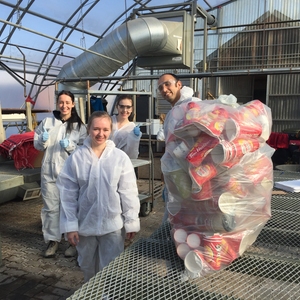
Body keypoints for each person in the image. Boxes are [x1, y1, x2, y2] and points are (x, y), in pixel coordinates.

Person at [56, 111, 140, 282]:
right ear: (88, 129)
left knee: (111, 268)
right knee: (87, 265)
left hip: (112, 226)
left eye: (105, 129)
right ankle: (91, 293)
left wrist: (131, 221)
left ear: (111, 131)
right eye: (96, 129)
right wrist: (70, 225)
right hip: (85, 225)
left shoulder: (119, 158)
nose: (100, 134)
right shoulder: (77, 158)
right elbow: (68, 194)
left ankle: (107, 295)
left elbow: (128, 192)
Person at [34, 90, 87, 258]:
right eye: (61, 102)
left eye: (67, 102)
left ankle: (73, 242)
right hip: (49, 173)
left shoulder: (80, 126)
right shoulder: (47, 122)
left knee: (70, 209)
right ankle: (53, 240)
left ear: (73, 104)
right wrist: (41, 140)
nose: (64, 105)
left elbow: (84, 151)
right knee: (51, 209)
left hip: (69, 174)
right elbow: (37, 145)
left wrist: (71, 146)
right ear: (57, 104)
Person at [157, 73, 198, 223]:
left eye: (167, 84)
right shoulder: (172, 113)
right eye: (160, 87)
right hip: (177, 175)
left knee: (189, 219)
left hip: (192, 176)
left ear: (179, 84)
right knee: (175, 218)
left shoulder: (192, 104)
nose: (164, 89)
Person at [110, 94, 142, 159]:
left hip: (120, 162)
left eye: (128, 107)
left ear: (132, 109)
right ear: (117, 107)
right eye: (121, 106)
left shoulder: (131, 128)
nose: (125, 110)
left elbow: (132, 154)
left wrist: (135, 138)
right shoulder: (108, 121)